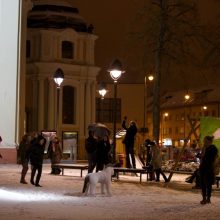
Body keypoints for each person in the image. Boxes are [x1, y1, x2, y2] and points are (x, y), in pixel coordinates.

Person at [199, 135, 218, 204]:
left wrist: (203, 153)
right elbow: (201, 156)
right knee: (203, 183)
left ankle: (208, 198)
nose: (204, 142)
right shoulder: (205, 148)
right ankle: (204, 198)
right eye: (204, 141)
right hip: (202, 167)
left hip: (209, 168)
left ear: (209, 141)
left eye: (205, 141)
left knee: (208, 184)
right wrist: (201, 154)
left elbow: (210, 158)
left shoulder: (213, 148)